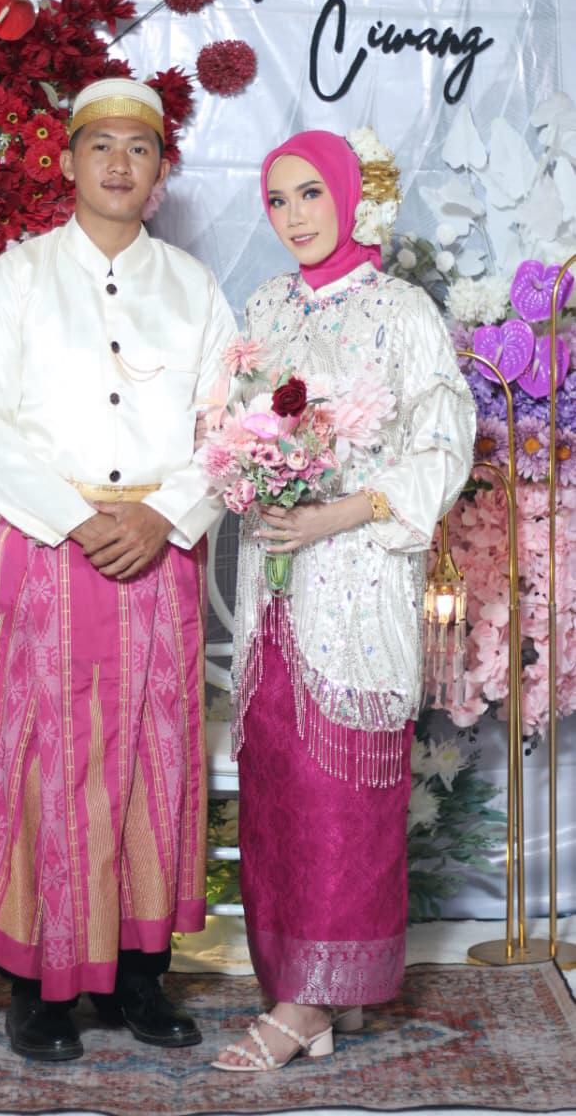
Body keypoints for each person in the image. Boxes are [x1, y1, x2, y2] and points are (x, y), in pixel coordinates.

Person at [0, 78, 237, 1063]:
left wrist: (166, 514)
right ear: (69, 159)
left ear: (161, 170)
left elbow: (228, 428)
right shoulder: (16, 278)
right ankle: (38, 986)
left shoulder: (193, 289)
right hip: (48, 547)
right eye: (101, 144)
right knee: (47, 758)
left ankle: (139, 977)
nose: (120, 163)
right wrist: (78, 519)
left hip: (160, 549)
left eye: (140, 147)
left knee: (157, 758)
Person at [212, 129, 475, 1072]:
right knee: (278, 791)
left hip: (356, 585)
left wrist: (339, 513)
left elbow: (443, 443)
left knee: (341, 798)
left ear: (348, 195)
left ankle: (305, 1005)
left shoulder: (401, 310)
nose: (292, 216)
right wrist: (246, 475)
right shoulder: (265, 306)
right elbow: (232, 426)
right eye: (276, 199)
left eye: (309, 194)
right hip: (273, 591)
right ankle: (308, 989)